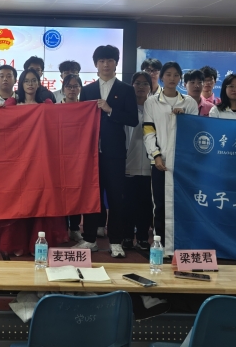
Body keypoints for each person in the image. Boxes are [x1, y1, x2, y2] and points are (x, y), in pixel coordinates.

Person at [0, 67, 66, 258]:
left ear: (39, 83)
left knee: (40, 202)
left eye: (34, 80)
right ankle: (16, 243)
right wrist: (1, 113)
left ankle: (36, 244)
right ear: (21, 84)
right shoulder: (13, 104)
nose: (30, 84)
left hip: (40, 162)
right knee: (19, 202)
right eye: (26, 81)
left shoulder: (46, 105)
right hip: (18, 162)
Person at [76, 45, 139, 258]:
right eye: (101, 61)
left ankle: (115, 241)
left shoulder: (126, 89)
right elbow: (80, 121)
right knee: (92, 195)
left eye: (110, 60)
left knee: (116, 197)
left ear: (116, 63)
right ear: (96, 64)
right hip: (91, 153)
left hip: (115, 153)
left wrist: (110, 110)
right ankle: (90, 239)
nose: (105, 64)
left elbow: (133, 119)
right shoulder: (87, 90)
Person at [143, 61, 198, 248]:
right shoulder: (151, 102)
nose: (172, 78)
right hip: (160, 162)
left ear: (180, 78)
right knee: (159, 203)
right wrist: (156, 155)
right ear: (161, 77)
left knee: (182, 202)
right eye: (168, 74)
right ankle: (160, 243)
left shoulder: (189, 102)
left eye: (176, 75)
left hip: (183, 163)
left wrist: (184, 119)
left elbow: (194, 133)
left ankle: (181, 242)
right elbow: (148, 131)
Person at [124, 71, 154, 251]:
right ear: (132, 85)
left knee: (146, 204)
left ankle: (143, 237)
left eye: (145, 84)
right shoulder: (125, 107)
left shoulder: (154, 107)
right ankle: (127, 236)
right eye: (137, 83)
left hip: (151, 164)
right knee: (128, 203)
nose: (141, 87)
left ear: (150, 87)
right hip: (129, 163)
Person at [59, 73, 84, 240]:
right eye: (69, 86)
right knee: (59, 193)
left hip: (78, 157)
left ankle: (75, 228)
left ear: (80, 89)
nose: (72, 90)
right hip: (58, 157)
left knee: (77, 192)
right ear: (63, 89)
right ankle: (61, 229)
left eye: (75, 86)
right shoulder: (54, 108)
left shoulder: (85, 109)